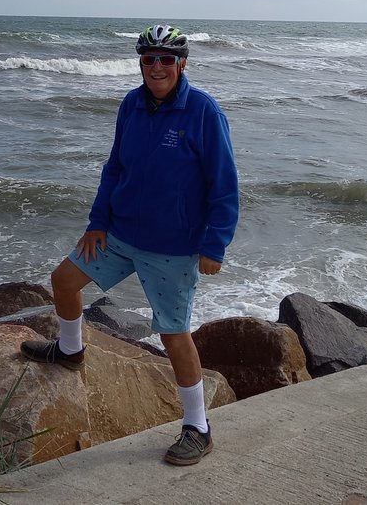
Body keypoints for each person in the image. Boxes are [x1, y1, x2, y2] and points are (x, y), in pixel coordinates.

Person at [20, 23, 240, 465]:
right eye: (148, 58)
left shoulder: (203, 112)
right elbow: (116, 167)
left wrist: (215, 245)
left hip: (171, 247)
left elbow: (225, 186)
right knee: (63, 281)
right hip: (119, 235)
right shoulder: (132, 104)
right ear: (140, 63)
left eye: (165, 59)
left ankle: (198, 425)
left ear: (181, 63)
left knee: (174, 335)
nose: (156, 67)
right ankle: (70, 350)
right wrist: (98, 221)